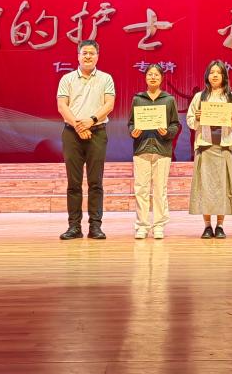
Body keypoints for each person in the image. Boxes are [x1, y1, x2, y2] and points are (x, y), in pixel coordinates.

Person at [56, 39, 115, 240]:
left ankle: (95, 227)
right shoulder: (67, 79)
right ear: (78, 56)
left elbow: (109, 105)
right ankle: (74, 227)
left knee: (95, 182)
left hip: (97, 132)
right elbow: (62, 106)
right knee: (73, 183)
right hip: (72, 133)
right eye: (84, 53)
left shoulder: (106, 78)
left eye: (92, 53)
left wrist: (90, 121)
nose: (88, 56)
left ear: (97, 56)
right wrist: (78, 126)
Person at [187, 60, 232, 238]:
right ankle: (206, 226)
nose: (215, 75)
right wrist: (197, 118)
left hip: (224, 146)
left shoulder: (231, 97)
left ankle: (219, 225)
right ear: (207, 76)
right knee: (205, 187)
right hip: (205, 146)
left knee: (222, 187)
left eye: (218, 72)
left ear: (224, 75)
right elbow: (190, 120)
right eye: (212, 72)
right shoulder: (199, 97)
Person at [128, 63, 180, 239]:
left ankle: (159, 225)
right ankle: (142, 226)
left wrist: (167, 132)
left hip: (162, 150)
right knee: (141, 189)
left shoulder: (169, 100)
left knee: (160, 190)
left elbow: (175, 124)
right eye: (150, 74)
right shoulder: (137, 99)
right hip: (141, 149)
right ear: (145, 77)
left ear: (162, 78)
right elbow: (131, 123)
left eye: (156, 75)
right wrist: (133, 131)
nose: (153, 77)